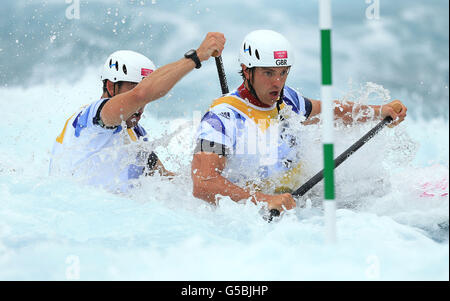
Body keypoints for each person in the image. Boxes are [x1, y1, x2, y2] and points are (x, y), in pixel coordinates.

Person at [191, 29, 407, 213]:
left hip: (301, 202)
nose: (278, 82)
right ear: (247, 71)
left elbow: (330, 112)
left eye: (283, 72)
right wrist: (264, 201)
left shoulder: (286, 99)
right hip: (253, 214)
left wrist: (379, 111)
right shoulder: (219, 118)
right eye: (268, 73)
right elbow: (203, 184)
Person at [50, 32, 226, 192]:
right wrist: (196, 57)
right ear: (111, 87)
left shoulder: (136, 134)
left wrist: (214, 179)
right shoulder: (95, 117)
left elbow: (165, 179)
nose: (141, 107)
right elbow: (141, 94)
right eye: (131, 90)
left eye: (145, 101)